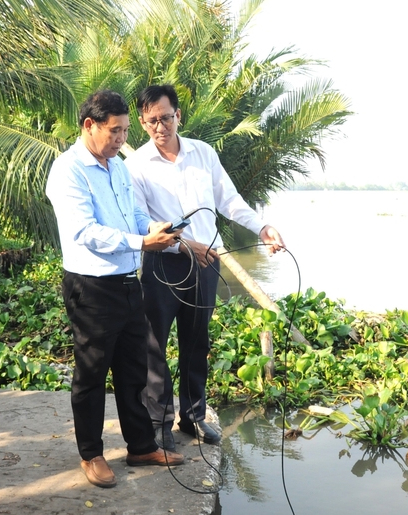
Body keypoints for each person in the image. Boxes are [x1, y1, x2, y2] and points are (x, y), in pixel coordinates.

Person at [125, 84, 285, 450]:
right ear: (142, 123)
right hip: (163, 265)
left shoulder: (203, 153)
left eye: (166, 118)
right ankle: (160, 423)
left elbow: (229, 199)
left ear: (179, 115)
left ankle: (193, 417)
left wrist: (262, 227)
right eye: (152, 122)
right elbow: (139, 221)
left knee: (196, 343)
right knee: (155, 346)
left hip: (207, 264)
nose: (160, 127)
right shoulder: (135, 166)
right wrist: (182, 244)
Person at [46, 90, 185, 488]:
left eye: (126, 130)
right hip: (91, 287)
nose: (123, 138)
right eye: (116, 131)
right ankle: (91, 454)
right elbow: (85, 232)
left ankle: (140, 445)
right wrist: (142, 243)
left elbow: (134, 213)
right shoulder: (68, 170)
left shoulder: (118, 165)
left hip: (128, 282)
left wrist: (153, 229)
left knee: (133, 369)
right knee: (91, 374)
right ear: (89, 125)